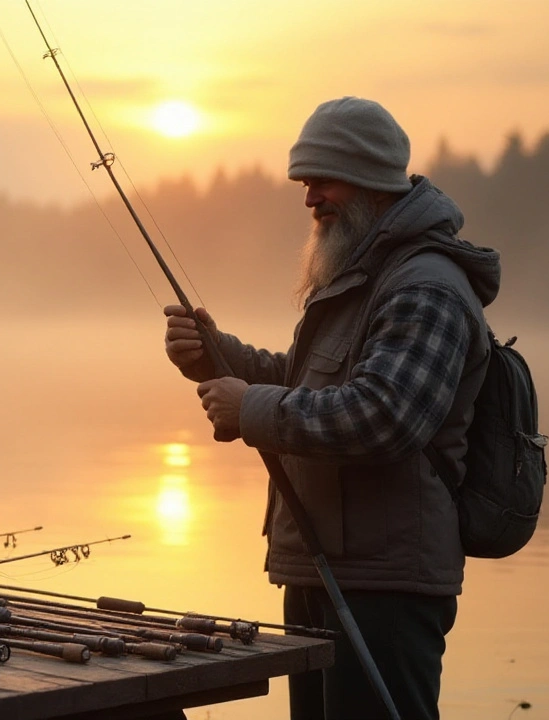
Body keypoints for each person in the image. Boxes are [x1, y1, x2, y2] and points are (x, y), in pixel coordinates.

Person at [163, 97, 501, 720]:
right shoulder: (357, 277)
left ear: (373, 182)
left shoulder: (426, 286)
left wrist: (251, 410)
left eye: (323, 180)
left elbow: (384, 416)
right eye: (304, 182)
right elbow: (302, 385)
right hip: (324, 565)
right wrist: (215, 356)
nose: (310, 198)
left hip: (386, 582)